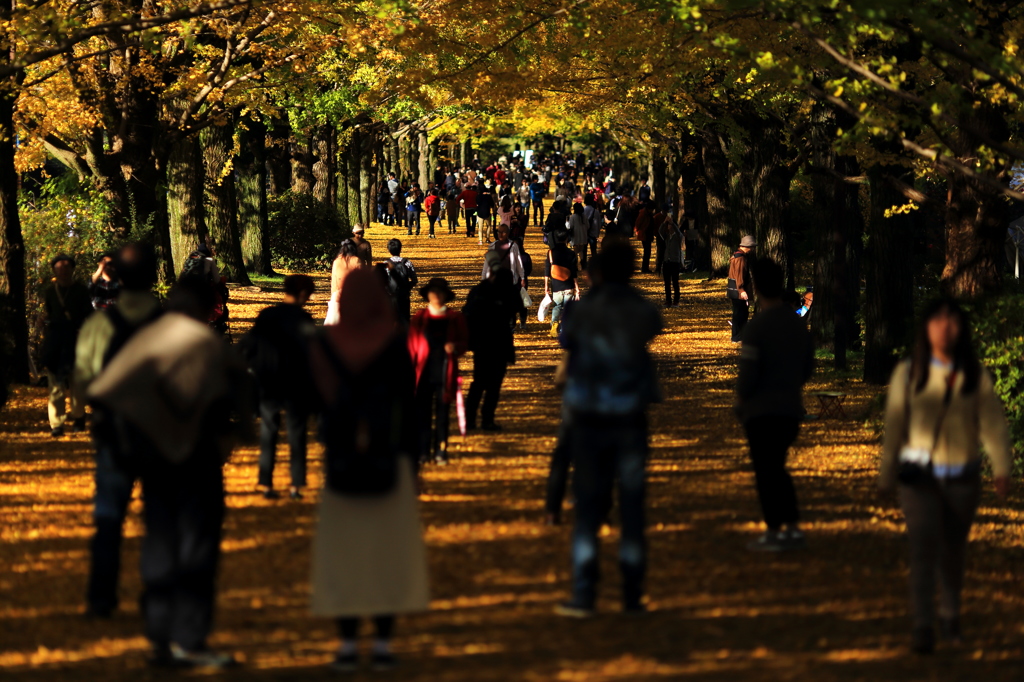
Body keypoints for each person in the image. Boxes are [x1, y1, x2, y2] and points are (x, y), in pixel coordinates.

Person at [86, 277, 250, 669]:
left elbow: (105, 392)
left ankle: (160, 638)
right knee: (198, 547)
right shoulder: (209, 346)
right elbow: (241, 404)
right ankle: (190, 638)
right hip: (199, 462)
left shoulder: (145, 342)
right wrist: (230, 436)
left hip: (155, 459)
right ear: (204, 307)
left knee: (160, 541)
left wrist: (134, 435)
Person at [308, 269, 429, 673]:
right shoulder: (392, 345)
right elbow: (407, 407)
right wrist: (414, 464)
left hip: (341, 461)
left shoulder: (324, 345)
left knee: (344, 555)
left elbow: (315, 405)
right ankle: (380, 641)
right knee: (385, 555)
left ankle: (345, 642)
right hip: (387, 457)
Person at [879, 298, 1012, 654]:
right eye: (938, 321)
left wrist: (1001, 467)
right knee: (923, 549)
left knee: (953, 552)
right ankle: (923, 624)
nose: (945, 328)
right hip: (920, 478)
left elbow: (993, 425)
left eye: (952, 321)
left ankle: (950, 615)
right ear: (926, 328)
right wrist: (886, 474)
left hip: (962, 478)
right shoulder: (908, 373)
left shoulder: (974, 374)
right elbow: (894, 425)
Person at [556, 242, 662, 616]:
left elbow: (567, 340)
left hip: (589, 416)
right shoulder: (639, 310)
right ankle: (632, 593)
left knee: (589, 506)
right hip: (630, 415)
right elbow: (652, 323)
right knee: (632, 506)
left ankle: (585, 592)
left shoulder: (584, 311)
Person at [76, 243, 163, 619]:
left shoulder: (100, 324)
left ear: (119, 278)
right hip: (162, 432)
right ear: (155, 276)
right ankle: (156, 594)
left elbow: (82, 382)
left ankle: (101, 598)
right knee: (160, 519)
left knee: (109, 517)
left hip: (114, 432)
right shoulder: (170, 322)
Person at [735, 257, 814, 552]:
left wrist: (741, 401)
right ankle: (791, 526)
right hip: (790, 407)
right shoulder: (795, 323)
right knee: (778, 468)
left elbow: (748, 375)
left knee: (767, 471)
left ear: (756, 287)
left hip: (761, 410)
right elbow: (808, 368)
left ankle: (775, 530)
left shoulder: (756, 329)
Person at [241, 274, 317, 501]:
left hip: (268, 380)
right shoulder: (303, 319)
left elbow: (249, 345)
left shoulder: (267, 316)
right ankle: (295, 484)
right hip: (295, 382)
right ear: (303, 294)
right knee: (296, 432)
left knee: (268, 430)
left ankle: (265, 482)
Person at [408, 278, 468, 465]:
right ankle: (423, 450)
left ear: (445, 295)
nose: (436, 295)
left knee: (442, 414)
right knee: (423, 413)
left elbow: (464, 342)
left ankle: (441, 450)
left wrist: (455, 347)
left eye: (439, 292)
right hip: (423, 373)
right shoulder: (419, 318)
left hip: (444, 371)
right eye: (433, 291)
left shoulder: (454, 318)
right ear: (427, 295)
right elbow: (410, 346)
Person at [463, 253, 524, 432]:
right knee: (481, 382)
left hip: (497, 343)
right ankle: (472, 419)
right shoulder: (480, 292)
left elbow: (516, 307)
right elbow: (469, 314)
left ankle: (484, 419)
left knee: (492, 384)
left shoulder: (500, 290)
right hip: (485, 343)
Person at [41, 253, 93, 436]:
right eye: (59, 267)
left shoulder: (81, 290)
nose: (63, 271)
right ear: (54, 270)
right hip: (56, 342)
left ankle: (78, 416)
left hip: (77, 339)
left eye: (66, 267)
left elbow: (89, 314)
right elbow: (48, 314)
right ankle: (56, 424)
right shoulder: (49, 292)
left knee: (77, 382)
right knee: (55, 384)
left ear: (72, 269)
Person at [544, 229, 579, 337]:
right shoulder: (571, 253)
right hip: (568, 285)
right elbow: (574, 272)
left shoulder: (551, 253)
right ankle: (564, 328)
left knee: (557, 306)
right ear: (567, 239)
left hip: (556, 285)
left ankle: (554, 323)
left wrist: (546, 287)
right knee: (567, 308)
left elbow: (547, 271)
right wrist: (577, 288)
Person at [325, 240, 363, 326]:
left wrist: (333, 297)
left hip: (337, 296)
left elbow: (334, 282)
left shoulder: (336, 261)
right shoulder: (356, 260)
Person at [727, 234, 756, 342]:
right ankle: (737, 337)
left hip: (733, 289)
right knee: (741, 314)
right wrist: (742, 290)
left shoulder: (736, 255)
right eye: (752, 247)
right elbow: (739, 275)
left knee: (738, 313)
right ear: (748, 247)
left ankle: (738, 336)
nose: (752, 249)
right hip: (738, 291)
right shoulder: (741, 258)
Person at [383, 239, 418, 323]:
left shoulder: (386, 264)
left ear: (389, 250)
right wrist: (407, 287)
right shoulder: (407, 263)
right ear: (400, 249)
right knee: (405, 319)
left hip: (390, 297)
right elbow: (414, 280)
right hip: (404, 296)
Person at [659, 215, 684, 308]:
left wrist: (672, 223)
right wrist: (664, 222)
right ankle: (668, 300)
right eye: (668, 225)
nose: (669, 227)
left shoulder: (678, 236)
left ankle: (676, 300)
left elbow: (678, 232)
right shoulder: (666, 236)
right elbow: (660, 231)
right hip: (667, 261)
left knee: (675, 282)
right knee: (667, 282)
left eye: (670, 225)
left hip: (675, 261)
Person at [569, 202, 590, 271]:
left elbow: (570, 226)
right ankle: (582, 265)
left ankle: (576, 266)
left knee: (575, 252)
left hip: (575, 237)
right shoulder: (584, 217)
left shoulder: (573, 217)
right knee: (581, 251)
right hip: (583, 237)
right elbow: (588, 226)